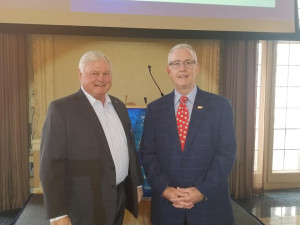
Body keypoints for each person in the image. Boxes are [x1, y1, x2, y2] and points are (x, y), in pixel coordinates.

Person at [40, 50, 144, 225]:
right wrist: (58, 213)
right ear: (80, 75)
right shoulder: (61, 109)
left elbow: (130, 149)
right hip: (83, 204)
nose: (101, 79)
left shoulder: (118, 106)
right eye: (94, 73)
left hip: (118, 197)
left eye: (106, 73)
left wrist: (137, 184)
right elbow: (50, 164)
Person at [140, 43, 236, 225]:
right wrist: (165, 189)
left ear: (197, 68)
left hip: (210, 206)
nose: (182, 68)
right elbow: (148, 154)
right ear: (168, 71)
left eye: (188, 62)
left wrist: (202, 190)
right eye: (176, 63)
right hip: (168, 207)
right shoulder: (155, 109)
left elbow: (226, 153)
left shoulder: (220, 106)